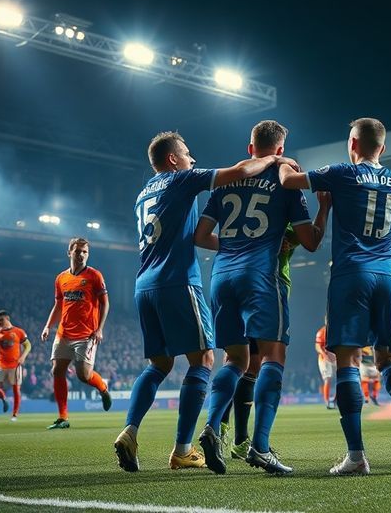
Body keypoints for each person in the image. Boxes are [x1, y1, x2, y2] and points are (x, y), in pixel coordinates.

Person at [114, 130, 296, 473]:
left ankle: (130, 430)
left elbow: (194, 233)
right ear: (172, 160)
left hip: (143, 286)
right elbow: (240, 171)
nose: (192, 159)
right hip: (177, 282)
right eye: (186, 153)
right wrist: (273, 159)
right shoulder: (180, 180)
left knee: (159, 365)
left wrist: (231, 246)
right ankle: (183, 449)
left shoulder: (142, 193)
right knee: (203, 361)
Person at [279, 117, 391, 475]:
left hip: (352, 273)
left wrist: (278, 161)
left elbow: (288, 181)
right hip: (390, 274)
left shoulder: (342, 172)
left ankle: (357, 456)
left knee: (348, 362)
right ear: (383, 148)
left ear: (354, 144)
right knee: (389, 358)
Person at [194, 120, 330, 475]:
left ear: (250, 148)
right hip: (262, 276)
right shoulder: (286, 184)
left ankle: (211, 427)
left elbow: (201, 235)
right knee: (273, 356)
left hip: (222, 276)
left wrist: (232, 249)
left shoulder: (225, 182)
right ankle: (261, 447)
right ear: (281, 150)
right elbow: (312, 241)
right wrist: (325, 208)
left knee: (234, 360)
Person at [220, 226, 305, 460]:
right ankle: (238, 439)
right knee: (256, 362)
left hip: (232, 279)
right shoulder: (279, 208)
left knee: (239, 361)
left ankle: (225, 432)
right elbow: (307, 237)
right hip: (266, 287)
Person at [41, 237, 112, 429]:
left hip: (86, 335)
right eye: (77, 251)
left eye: (85, 252)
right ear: (69, 252)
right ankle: (63, 417)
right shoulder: (61, 278)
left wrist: (99, 329)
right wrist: (48, 326)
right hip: (63, 333)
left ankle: (103, 389)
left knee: (83, 375)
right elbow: (58, 305)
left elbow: (105, 303)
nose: (81, 254)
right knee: (57, 371)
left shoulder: (95, 276)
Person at [0, 310, 31, 421]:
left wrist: (23, 357)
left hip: (15, 364)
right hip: (1, 364)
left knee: (16, 389)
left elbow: (28, 345)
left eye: (1, 320)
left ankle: (14, 414)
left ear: (7, 318)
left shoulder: (18, 331)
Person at [315, 323, 336, 409]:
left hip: (336, 358)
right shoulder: (322, 332)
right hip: (324, 359)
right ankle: (327, 401)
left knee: (341, 379)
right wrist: (325, 355)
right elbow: (317, 346)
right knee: (327, 378)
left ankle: (335, 400)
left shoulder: (337, 331)